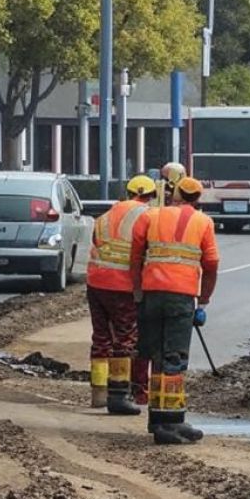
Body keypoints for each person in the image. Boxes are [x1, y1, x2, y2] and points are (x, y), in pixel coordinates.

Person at [130, 176, 220, 445]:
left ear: (174, 195)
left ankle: (158, 418)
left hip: (151, 294)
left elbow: (135, 257)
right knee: (174, 358)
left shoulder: (151, 217)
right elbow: (212, 263)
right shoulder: (204, 222)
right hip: (181, 296)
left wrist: (137, 292)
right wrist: (203, 300)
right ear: (197, 199)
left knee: (156, 354)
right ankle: (171, 421)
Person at [86, 175, 158, 414]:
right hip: (122, 286)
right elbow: (146, 251)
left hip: (95, 282)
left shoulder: (106, 216)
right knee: (126, 340)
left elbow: (96, 242)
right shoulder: (146, 216)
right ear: (149, 196)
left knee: (101, 337)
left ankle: (98, 393)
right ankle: (119, 392)